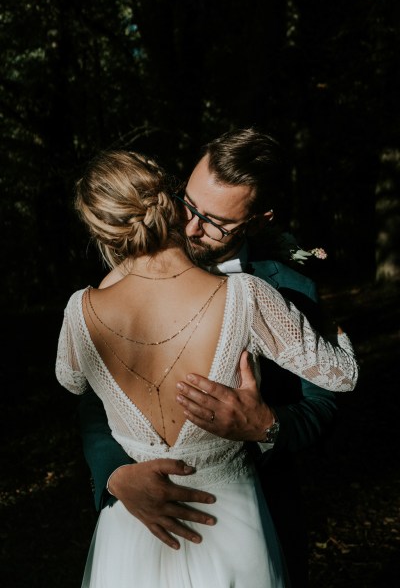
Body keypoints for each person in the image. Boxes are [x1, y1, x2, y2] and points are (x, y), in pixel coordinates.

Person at [56, 148, 358, 587]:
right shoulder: (108, 290)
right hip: (136, 521)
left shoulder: (290, 284)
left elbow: (325, 402)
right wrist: (115, 475)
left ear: (260, 221)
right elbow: (91, 402)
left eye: (216, 221)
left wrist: (267, 425)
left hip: (245, 519)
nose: (192, 226)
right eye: (189, 206)